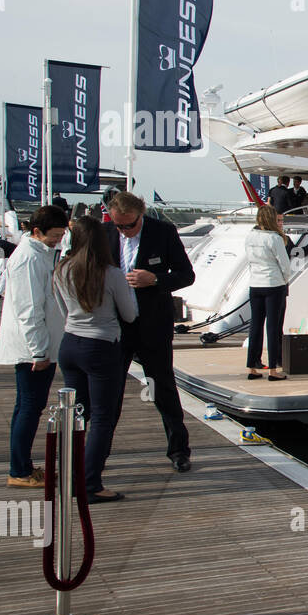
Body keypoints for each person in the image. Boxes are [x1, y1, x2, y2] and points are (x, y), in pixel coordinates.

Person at [103, 192, 196, 472]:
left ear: (141, 215)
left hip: (152, 323)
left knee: (163, 387)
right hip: (115, 326)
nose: (123, 231)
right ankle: (98, 454)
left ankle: (179, 450)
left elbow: (186, 275)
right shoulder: (104, 233)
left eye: (128, 226)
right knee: (109, 391)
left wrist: (154, 279)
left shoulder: (163, 232)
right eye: (118, 225)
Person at [54, 216, 139, 502]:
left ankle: (68, 476)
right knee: (103, 418)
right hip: (101, 345)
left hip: (69, 344)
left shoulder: (61, 270)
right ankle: (90, 484)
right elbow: (129, 314)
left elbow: (61, 310)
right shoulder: (111, 274)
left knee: (77, 415)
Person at [0, 205, 70, 488]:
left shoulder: (39, 254)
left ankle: (22, 465)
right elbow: (29, 310)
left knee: (26, 406)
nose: (58, 240)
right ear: (36, 232)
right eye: (54, 235)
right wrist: (39, 351)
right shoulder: (28, 259)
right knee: (29, 406)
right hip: (34, 349)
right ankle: (19, 471)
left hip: (40, 346)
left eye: (62, 235)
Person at [245, 205, 293, 381]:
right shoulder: (275, 238)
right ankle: (273, 369)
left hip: (255, 284)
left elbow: (249, 260)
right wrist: (285, 280)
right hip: (273, 284)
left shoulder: (250, 237)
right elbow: (285, 265)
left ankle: (252, 366)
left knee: (255, 326)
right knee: (273, 328)